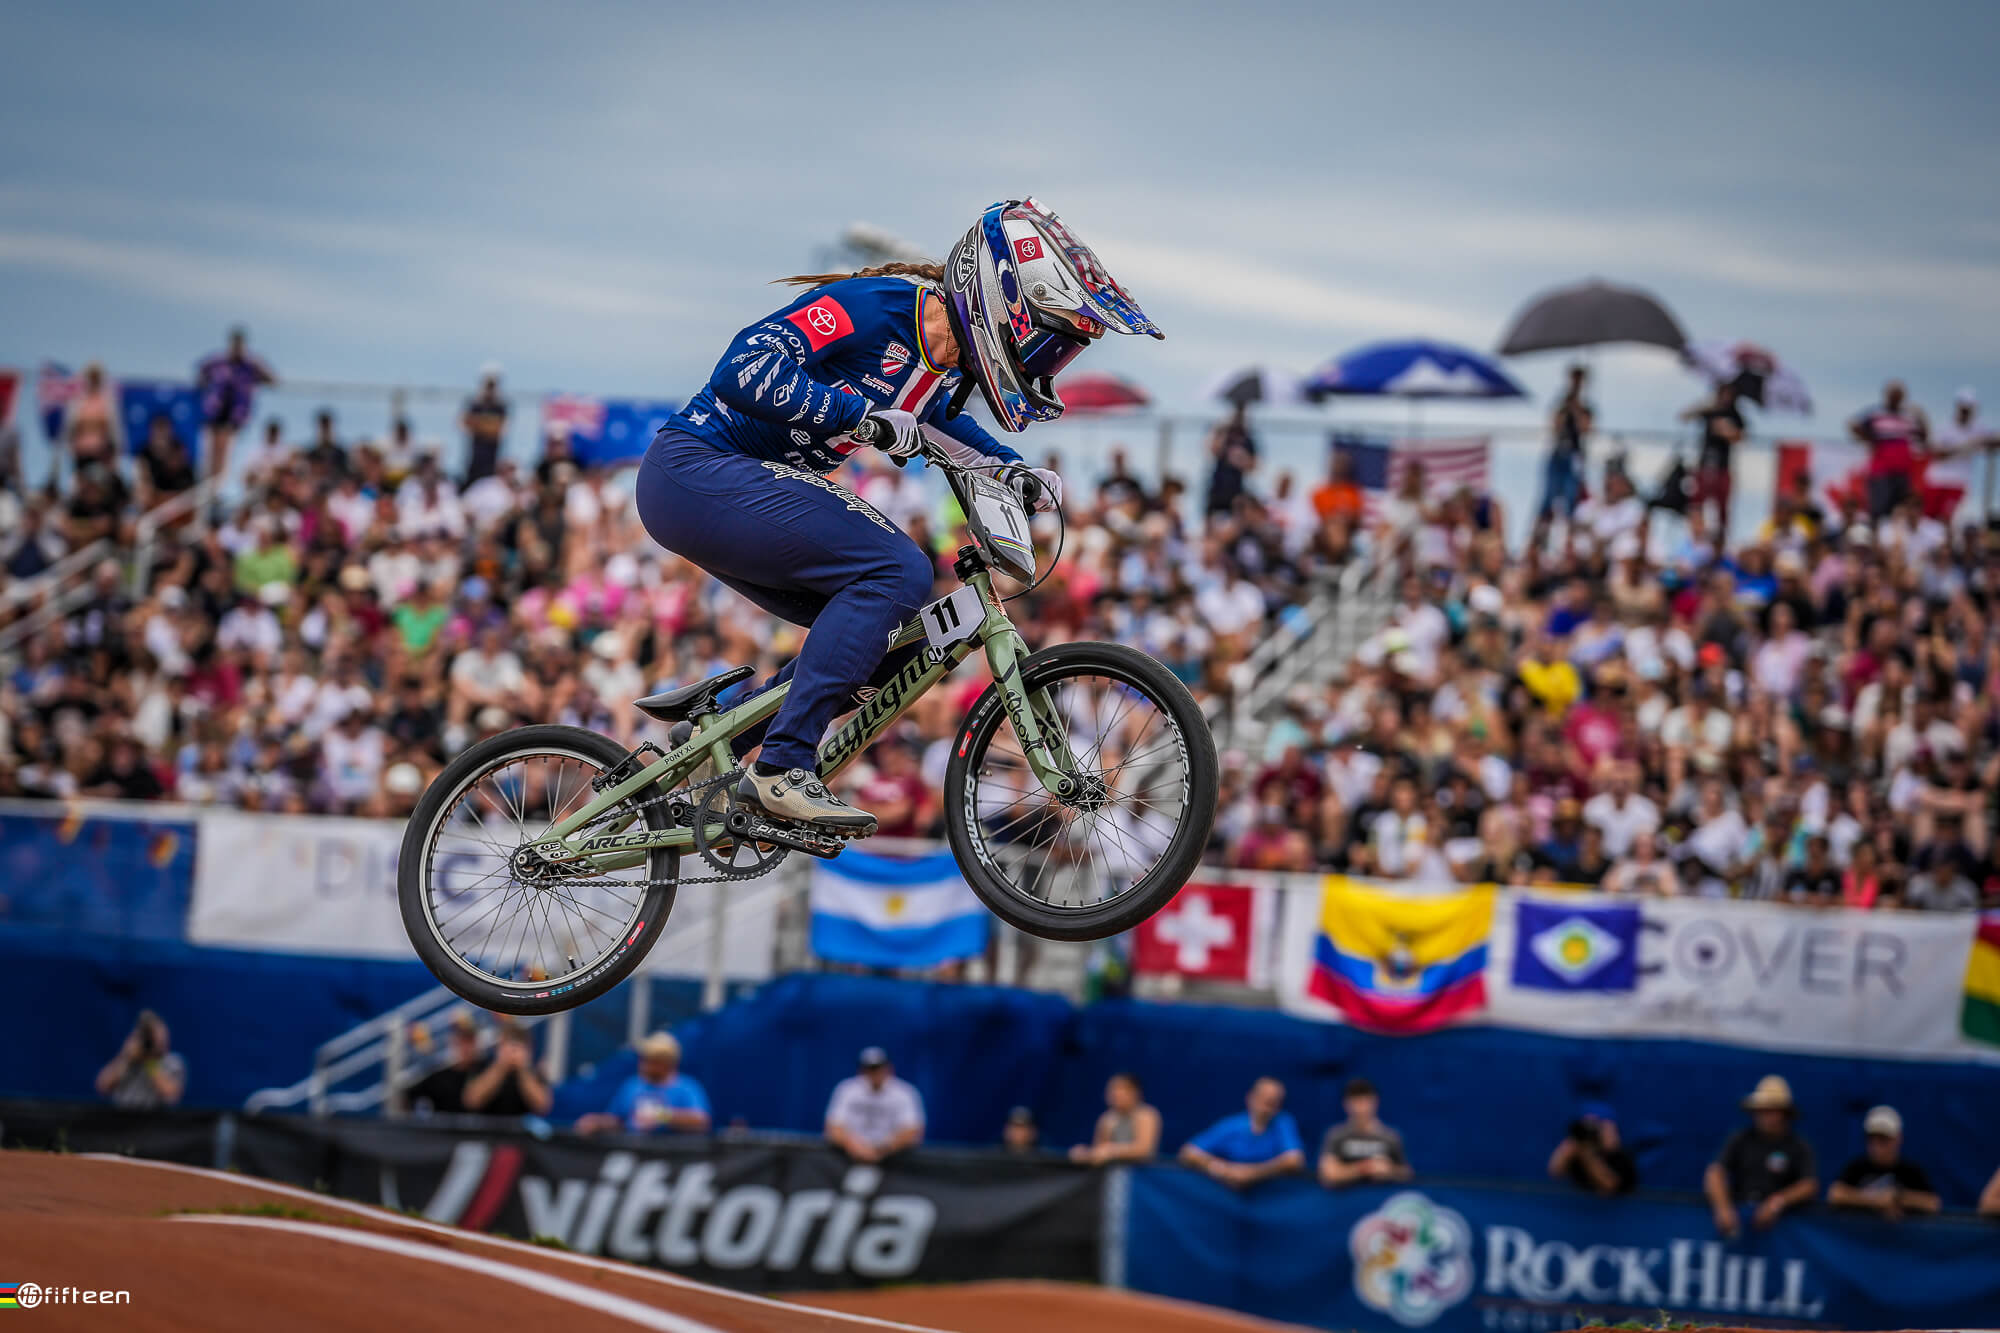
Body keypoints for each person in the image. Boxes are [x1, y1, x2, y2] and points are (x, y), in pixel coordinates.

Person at [633, 198, 1152, 831]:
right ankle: (781, 769)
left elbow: (943, 428)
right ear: (1002, 304)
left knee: (886, 644)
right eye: (1047, 347)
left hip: (723, 488)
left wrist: (1015, 470)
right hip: (694, 468)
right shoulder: (874, 306)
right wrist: (859, 417)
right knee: (895, 568)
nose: (1045, 365)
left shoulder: (938, 368)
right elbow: (742, 370)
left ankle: (702, 758)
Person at [1705, 1075, 1817, 1237]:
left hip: (1783, 1234)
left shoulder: (1799, 1147)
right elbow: (1714, 1173)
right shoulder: (1740, 1139)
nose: (1763, 1115)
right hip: (1740, 1226)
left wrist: (1776, 1203)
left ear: (1784, 1113)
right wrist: (1723, 1208)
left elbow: (1809, 1185)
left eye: (1770, 1110)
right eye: (1760, 1110)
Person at [1178, 1077, 1306, 1190]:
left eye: (1273, 1102)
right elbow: (1188, 1152)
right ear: (1250, 1098)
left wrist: (1250, 1174)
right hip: (1227, 1194)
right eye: (1263, 1099)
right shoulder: (1231, 1125)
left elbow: (1294, 1160)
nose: (1266, 1107)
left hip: (1270, 1198)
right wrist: (1222, 1169)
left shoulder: (1283, 1122)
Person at [576, 1031, 711, 1136]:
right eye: (644, 1060)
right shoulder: (632, 1086)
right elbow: (618, 1119)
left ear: (667, 1064)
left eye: (653, 1061)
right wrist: (597, 1122)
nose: (645, 1066)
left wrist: (660, 1115)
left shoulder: (687, 1088)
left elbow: (701, 1121)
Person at [1827, 1105, 1938, 1220]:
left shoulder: (1910, 1170)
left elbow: (1932, 1203)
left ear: (1898, 1139)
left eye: (1883, 1139)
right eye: (1871, 1138)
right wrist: (1876, 1200)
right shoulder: (1857, 1167)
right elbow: (1835, 1194)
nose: (1876, 1145)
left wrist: (1897, 1197)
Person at [195, 326, 276, 481]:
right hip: (215, 412)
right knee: (211, 449)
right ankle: (207, 481)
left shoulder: (250, 365)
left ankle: (217, 483)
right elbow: (201, 372)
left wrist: (257, 368)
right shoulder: (218, 361)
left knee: (225, 448)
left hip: (235, 416)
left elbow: (272, 379)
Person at [824, 1046, 925, 1162]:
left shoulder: (905, 1093)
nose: (874, 1073)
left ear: (889, 1068)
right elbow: (833, 1126)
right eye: (870, 1069)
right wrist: (855, 1146)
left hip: (894, 1159)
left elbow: (913, 1130)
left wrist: (882, 1149)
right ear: (861, 1071)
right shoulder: (847, 1089)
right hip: (850, 1156)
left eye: (878, 1068)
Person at [1848, 380, 1928, 519]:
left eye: (1899, 395)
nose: (1896, 398)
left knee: (1900, 509)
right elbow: (1853, 425)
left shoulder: (1908, 416)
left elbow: (1923, 436)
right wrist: (1870, 439)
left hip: (1903, 472)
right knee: (1879, 508)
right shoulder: (1876, 413)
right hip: (1881, 471)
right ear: (1887, 395)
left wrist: (1922, 416)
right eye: (1893, 394)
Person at [1318, 1077, 1413, 1189]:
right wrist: (1364, 1168)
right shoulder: (1336, 1135)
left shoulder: (1391, 1137)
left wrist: (1390, 1170)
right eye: (1355, 1102)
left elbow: (1407, 1173)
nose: (1360, 1108)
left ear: (1375, 1102)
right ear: (1346, 1104)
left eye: (1365, 1101)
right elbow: (1328, 1174)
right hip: (1345, 1202)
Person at [1682, 380, 1744, 543]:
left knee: (1721, 506)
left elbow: (1740, 437)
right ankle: (1696, 536)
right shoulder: (1710, 410)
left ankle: (1721, 540)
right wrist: (1705, 406)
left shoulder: (1734, 414)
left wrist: (1726, 430)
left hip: (1722, 467)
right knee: (1697, 503)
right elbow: (1684, 416)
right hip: (1704, 464)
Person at [1538, 364, 1594, 531]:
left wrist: (1576, 408)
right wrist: (1566, 407)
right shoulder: (1562, 403)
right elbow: (1554, 426)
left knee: (1571, 496)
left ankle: (1570, 532)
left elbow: (1586, 428)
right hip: (1558, 453)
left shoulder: (1585, 407)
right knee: (1549, 495)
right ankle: (1542, 531)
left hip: (1574, 455)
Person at [95, 1009, 186, 1109]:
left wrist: (149, 1061)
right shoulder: (128, 1060)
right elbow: (102, 1086)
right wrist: (125, 1057)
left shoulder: (172, 1062)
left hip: (154, 1121)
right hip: (122, 1119)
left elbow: (171, 1094)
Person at [1070, 1072, 1162, 1165]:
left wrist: (1113, 1150)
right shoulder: (1106, 1118)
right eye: (1113, 1089)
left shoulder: (1147, 1115)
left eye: (1123, 1089)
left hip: (1140, 1174)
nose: (1116, 1093)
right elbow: (1100, 1152)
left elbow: (1143, 1149)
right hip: (1111, 1173)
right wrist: (1086, 1153)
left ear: (1136, 1092)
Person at [1548, 1103, 1638, 1196]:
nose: (1592, 1133)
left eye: (1597, 1126)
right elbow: (1555, 1172)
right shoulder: (1578, 1149)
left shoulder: (1622, 1156)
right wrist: (1570, 1144)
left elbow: (1610, 1185)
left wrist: (1588, 1156)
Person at [407, 1009, 483, 1114]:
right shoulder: (437, 1077)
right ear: (453, 1041)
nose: (467, 1047)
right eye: (462, 1040)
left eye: (470, 1040)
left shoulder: (485, 1068)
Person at [462, 364, 509, 487]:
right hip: (474, 460)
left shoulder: (501, 407)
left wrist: (479, 425)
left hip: (492, 462)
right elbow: (463, 424)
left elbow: (500, 430)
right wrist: (488, 426)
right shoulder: (474, 404)